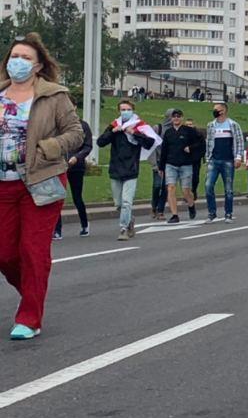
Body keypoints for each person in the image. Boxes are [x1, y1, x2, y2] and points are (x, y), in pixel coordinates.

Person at [0, 33, 84, 339]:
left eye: (25, 58)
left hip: (40, 182)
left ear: (38, 66)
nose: (17, 62)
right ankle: (32, 292)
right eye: (14, 56)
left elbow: (75, 134)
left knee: (33, 250)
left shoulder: (54, 95)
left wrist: (48, 148)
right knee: (5, 254)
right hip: (3, 185)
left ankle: (30, 318)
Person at [97, 100, 157, 241]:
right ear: (119, 111)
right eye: (123, 109)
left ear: (133, 110)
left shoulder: (139, 126)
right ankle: (129, 219)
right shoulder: (114, 125)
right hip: (115, 168)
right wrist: (113, 132)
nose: (125, 111)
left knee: (126, 202)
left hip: (131, 169)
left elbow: (150, 143)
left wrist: (134, 133)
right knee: (118, 204)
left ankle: (123, 228)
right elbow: (100, 142)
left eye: (128, 109)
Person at [203, 102, 244, 223]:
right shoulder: (211, 125)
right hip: (214, 160)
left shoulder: (233, 125)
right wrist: (207, 158)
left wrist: (238, 157)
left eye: (217, 109)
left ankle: (228, 214)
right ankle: (212, 213)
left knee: (228, 189)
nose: (214, 111)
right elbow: (209, 142)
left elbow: (239, 141)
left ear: (223, 111)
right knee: (208, 186)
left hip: (228, 160)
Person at [54, 117, 93, 240]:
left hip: (76, 166)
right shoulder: (56, 125)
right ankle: (57, 230)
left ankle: (84, 225)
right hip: (59, 167)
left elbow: (87, 146)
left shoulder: (82, 125)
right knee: (57, 198)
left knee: (77, 197)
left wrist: (77, 157)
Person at [159, 109, 200, 223]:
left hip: (185, 164)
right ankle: (174, 215)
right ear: (171, 119)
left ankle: (191, 205)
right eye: (174, 116)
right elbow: (164, 150)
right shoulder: (168, 133)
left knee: (185, 190)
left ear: (182, 118)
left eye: (178, 116)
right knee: (170, 188)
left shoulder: (189, 131)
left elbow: (200, 142)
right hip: (170, 164)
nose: (176, 118)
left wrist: (190, 148)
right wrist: (161, 167)